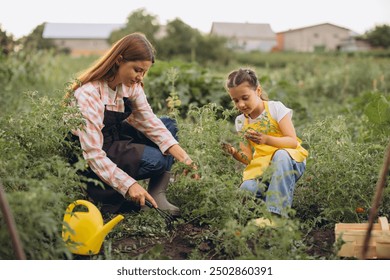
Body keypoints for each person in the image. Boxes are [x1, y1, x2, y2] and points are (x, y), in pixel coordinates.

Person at [65, 32, 196, 216]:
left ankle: (157, 195)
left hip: (115, 136)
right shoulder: (89, 94)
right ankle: (111, 191)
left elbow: (149, 120)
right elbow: (93, 154)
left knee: (168, 124)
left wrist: (184, 158)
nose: (140, 77)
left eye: (144, 72)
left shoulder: (130, 86)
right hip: (93, 153)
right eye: (137, 70)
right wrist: (129, 185)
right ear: (119, 60)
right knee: (156, 161)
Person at [222, 68, 308, 224]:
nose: (241, 104)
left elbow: (292, 141)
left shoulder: (275, 108)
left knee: (280, 155)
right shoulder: (241, 122)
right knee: (246, 190)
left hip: (290, 160)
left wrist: (267, 139)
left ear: (258, 91)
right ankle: (262, 213)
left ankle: (276, 216)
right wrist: (233, 152)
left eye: (245, 98)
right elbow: (248, 158)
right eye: (235, 100)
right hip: (263, 169)